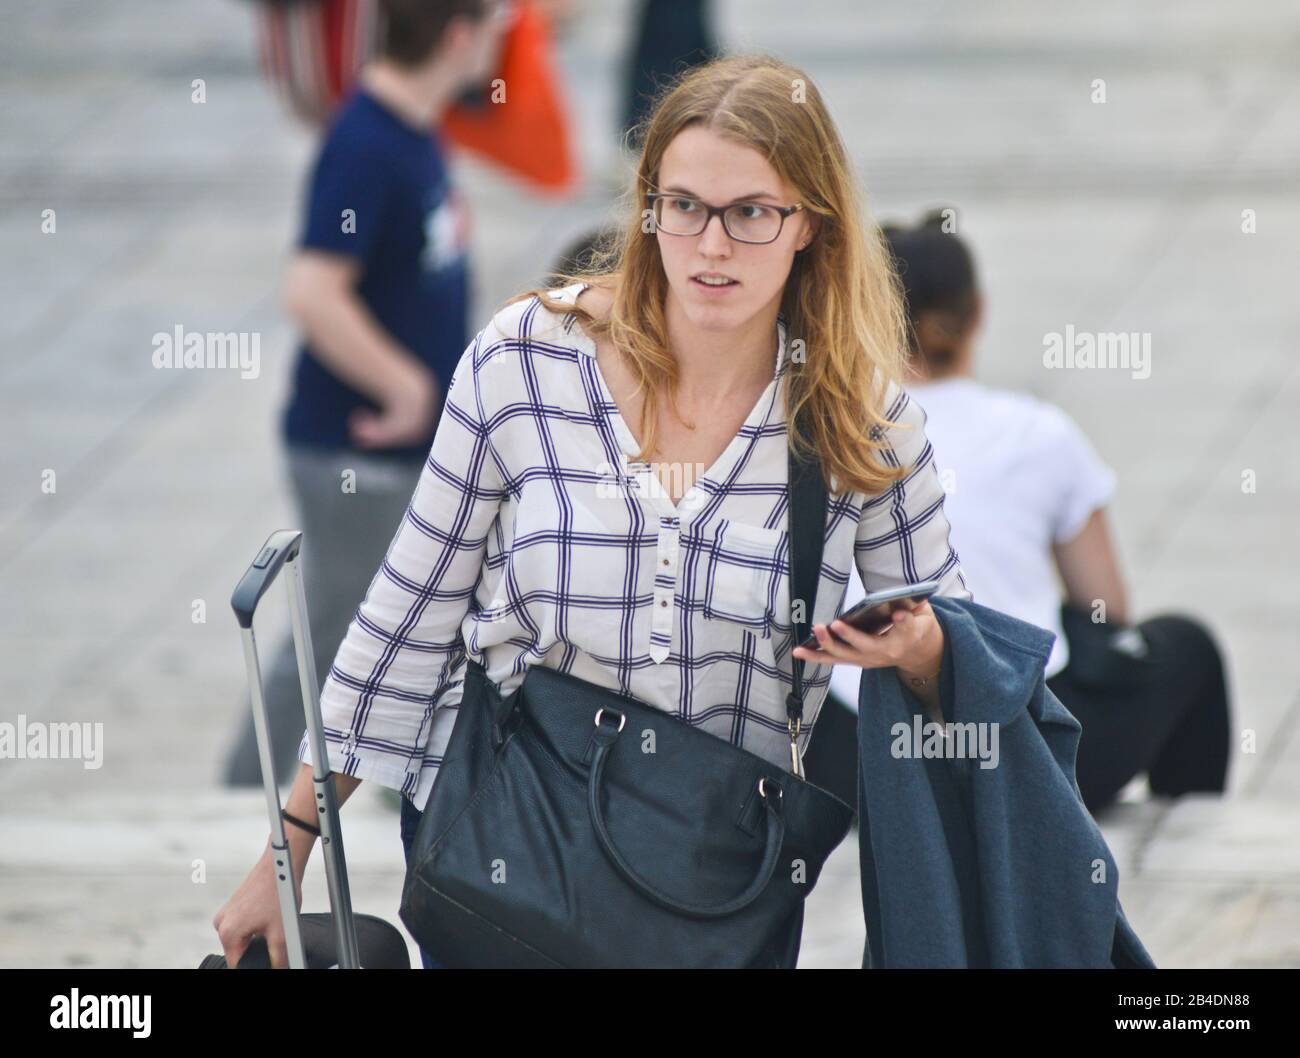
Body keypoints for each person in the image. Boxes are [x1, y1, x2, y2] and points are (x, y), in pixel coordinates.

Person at [213, 54, 971, 969]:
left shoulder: (862, 418)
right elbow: (404, 620)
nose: (711, 246)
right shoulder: (527, 360)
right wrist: (283, 858)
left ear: (810, 223)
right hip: (506, 855)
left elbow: (958, 663)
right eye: (683, 206)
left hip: (715, 892)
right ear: (648, 207)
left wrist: (919, 652)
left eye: (751, 214)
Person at [822, 210, 1232, 817]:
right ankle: (1183, 831)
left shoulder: (830, 434)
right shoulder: (1038, 432)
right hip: (1028, 757)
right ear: (977, 313)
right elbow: (1108, 608)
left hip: (862, 762)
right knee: (1187, 647)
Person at [220, 0, 510, 789]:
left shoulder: (411, 128)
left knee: (383, 625)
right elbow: (312, 290)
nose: (502, 40)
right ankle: (241, 798)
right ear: (458, 34)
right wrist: (407, 385)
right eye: (496, 24)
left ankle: (385, 784)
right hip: (354, 449)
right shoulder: (367, 144)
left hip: (392, 450)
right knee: (335, 634)